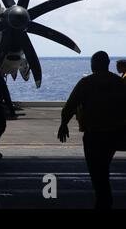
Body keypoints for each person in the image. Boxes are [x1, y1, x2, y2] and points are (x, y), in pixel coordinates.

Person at [58, 51, 126, 209]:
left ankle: (104, 201)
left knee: (96, 170)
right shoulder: (119, 82)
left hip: (93, 134)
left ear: (94, 64)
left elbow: (70, 105)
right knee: (103, 166)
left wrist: (64, 124)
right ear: (108, 64)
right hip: (114, 133)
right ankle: (104, 199)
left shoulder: (86, 82)